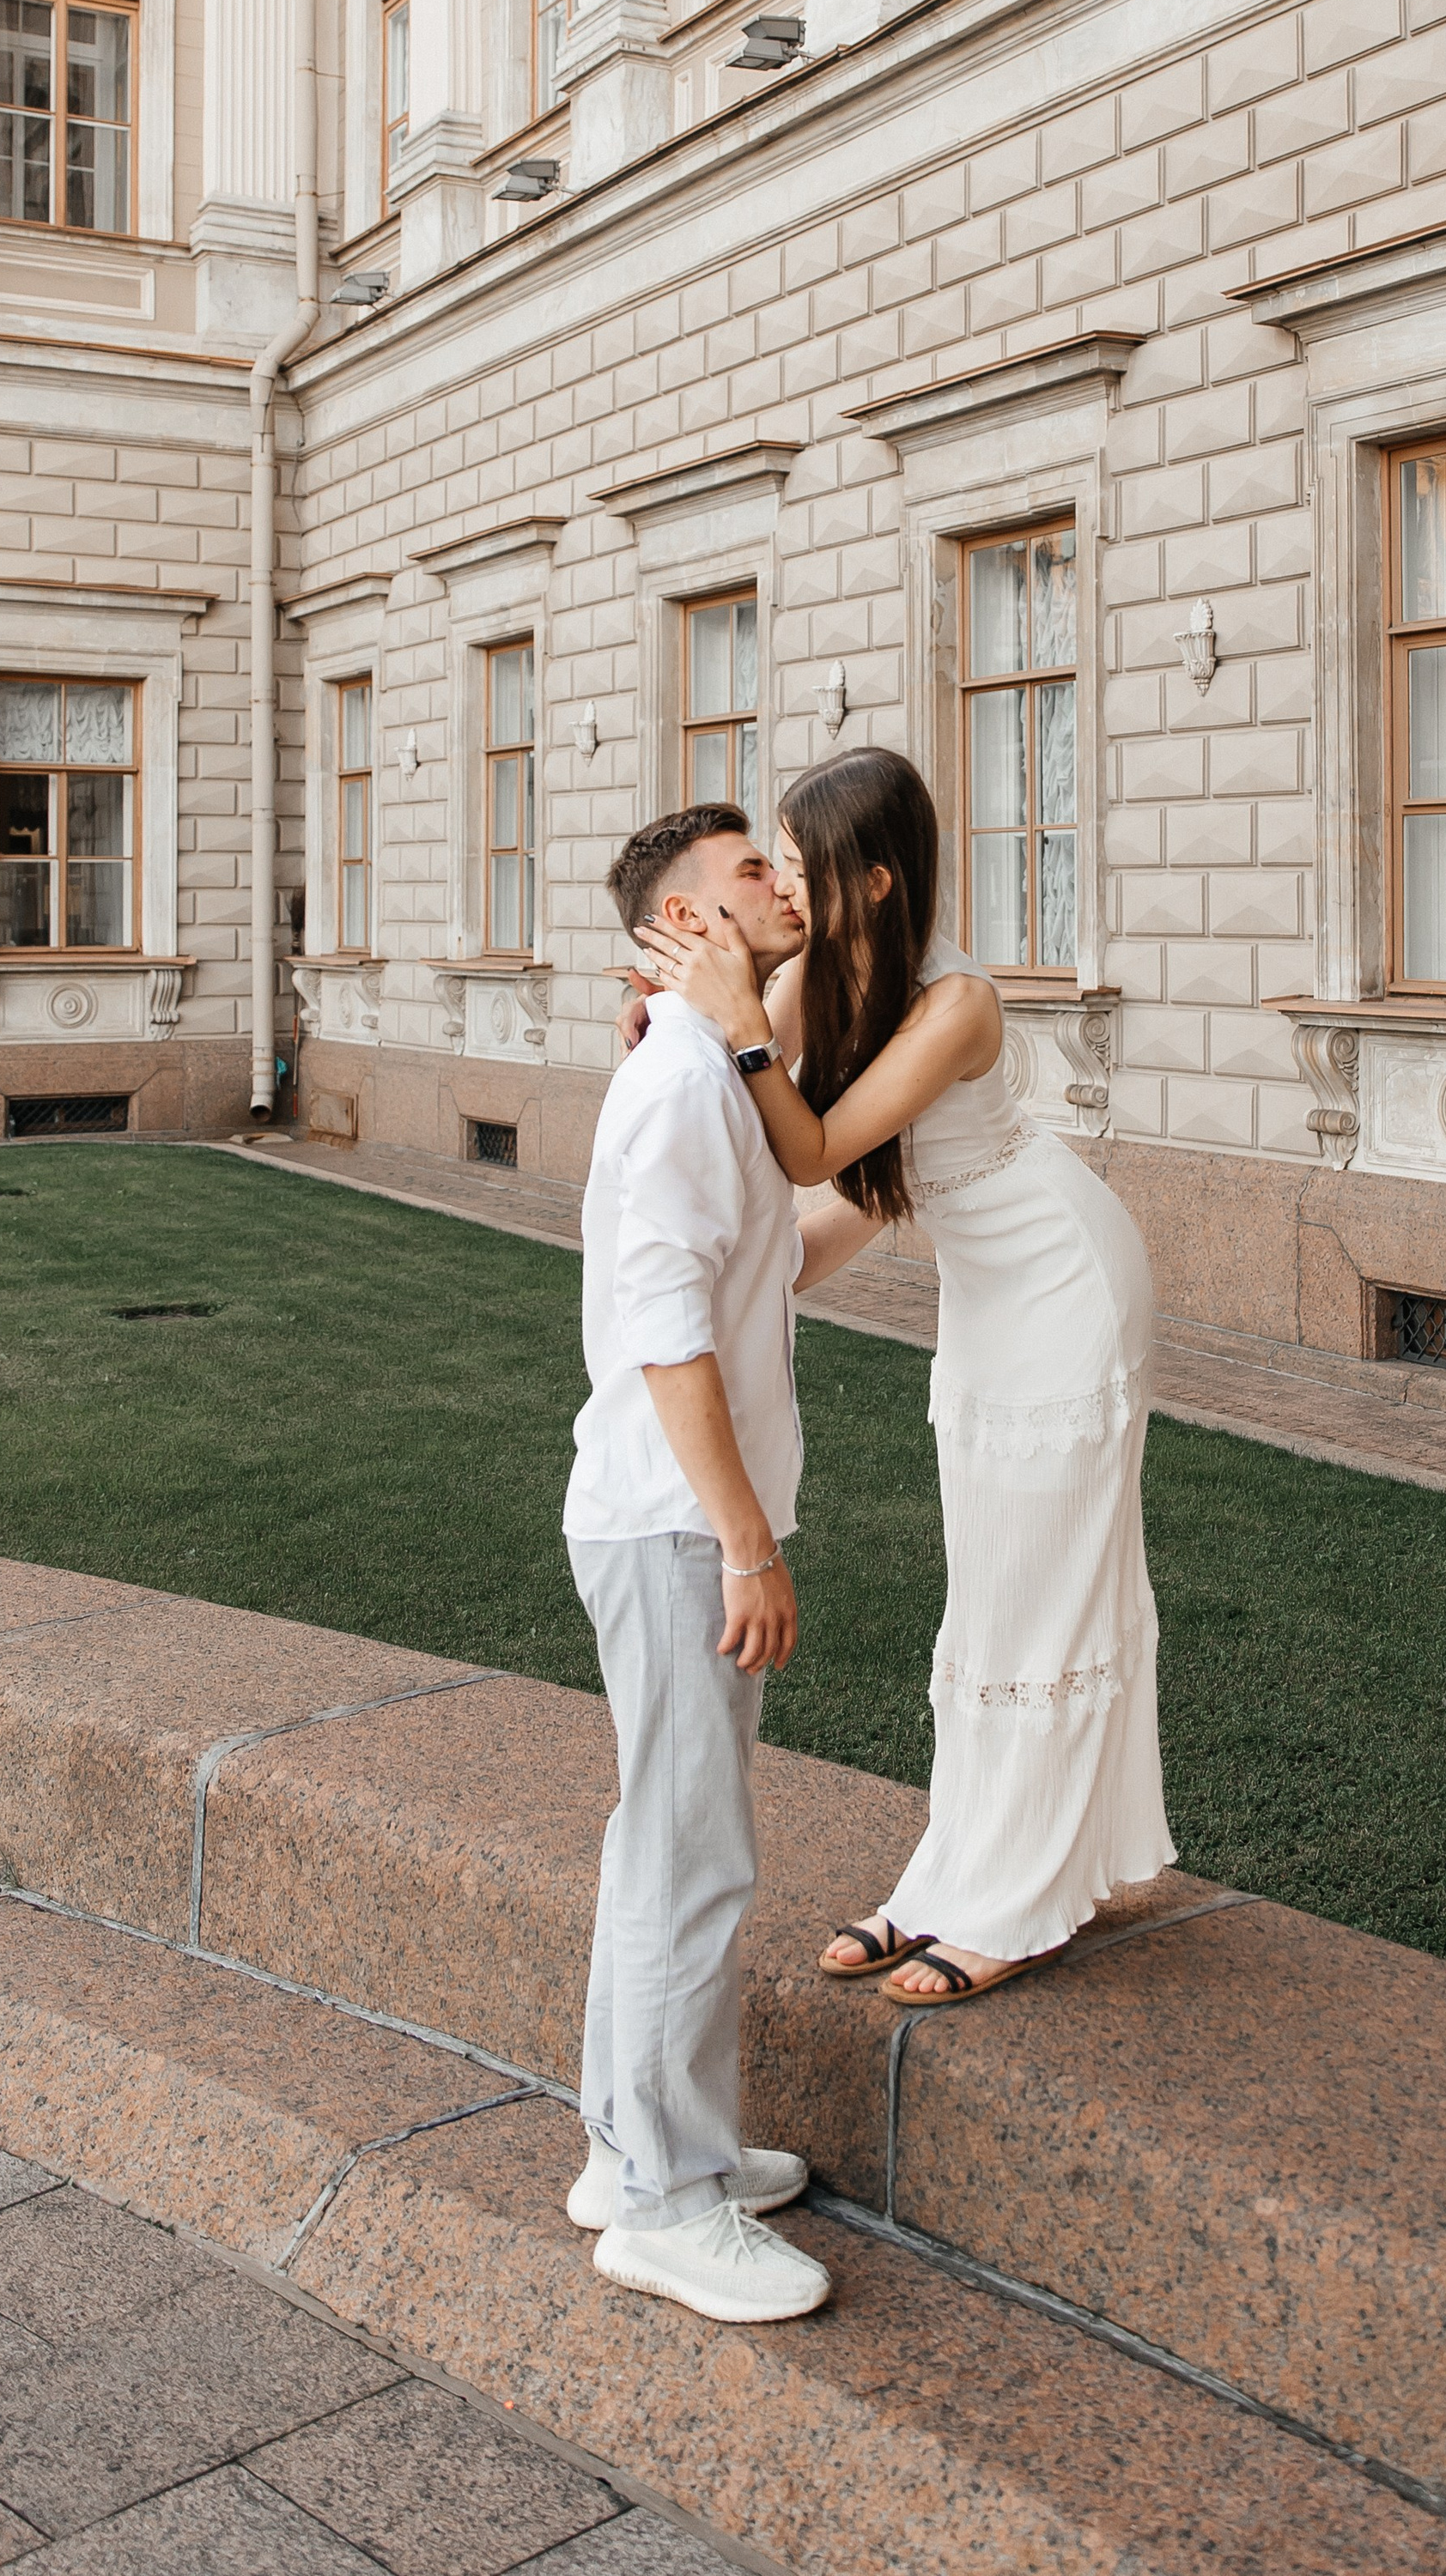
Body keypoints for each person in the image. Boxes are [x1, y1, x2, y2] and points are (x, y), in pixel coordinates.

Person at [642, 745, 1174, 2009]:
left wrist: (742, 1030)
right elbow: (748, 1086)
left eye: (801, 863)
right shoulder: (824, 974)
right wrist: (668, 1013)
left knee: (1046, 1599)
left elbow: (813, 1143)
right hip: (985, 1302)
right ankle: (950, 1880)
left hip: (1066, 1289)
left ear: (874, 878)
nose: (785, 886)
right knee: (988, 1600)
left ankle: (1020, 1907)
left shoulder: (958, 1005)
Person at [565, 800, 875, 2323]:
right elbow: (666, 1334)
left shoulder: (703, 1064)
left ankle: (630, 2150)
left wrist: (882, 1197)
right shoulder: (686, 1079)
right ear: (685, 919)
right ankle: (667, 2204)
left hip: (662, 1513)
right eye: (754, 869)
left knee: (663, 1845)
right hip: (676, 1523)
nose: (784, 881)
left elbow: (765, 1267)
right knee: (692, 1862)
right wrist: (746, 1542)